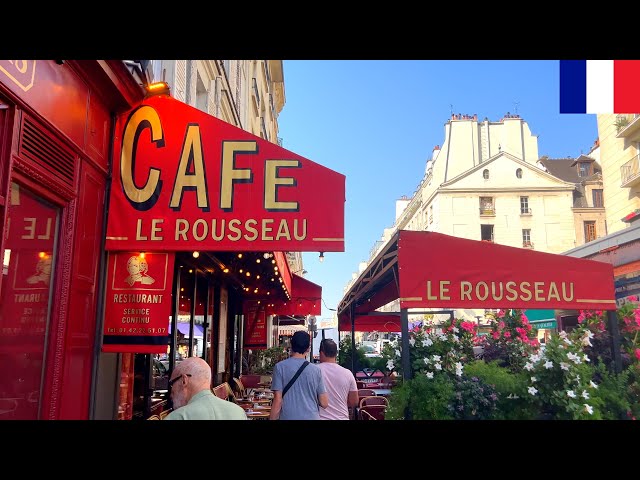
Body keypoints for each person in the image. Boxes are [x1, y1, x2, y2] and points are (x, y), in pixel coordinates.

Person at [164, 357, 247, 420]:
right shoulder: (238, 412)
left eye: (172, 383)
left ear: (184, 381)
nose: (171, 391)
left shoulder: (178, 417)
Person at [269, 331, 328, 420]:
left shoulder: (279, 367)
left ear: (291, 346)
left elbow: (278, 400)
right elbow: (324, 403)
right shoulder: (316, 370)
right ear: (308, 349)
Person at [317, 338, 359, 420]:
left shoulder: (314, 371)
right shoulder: (348, 373)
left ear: (321, 353)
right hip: (341, 417)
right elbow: (354, 401)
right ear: (336, 354)